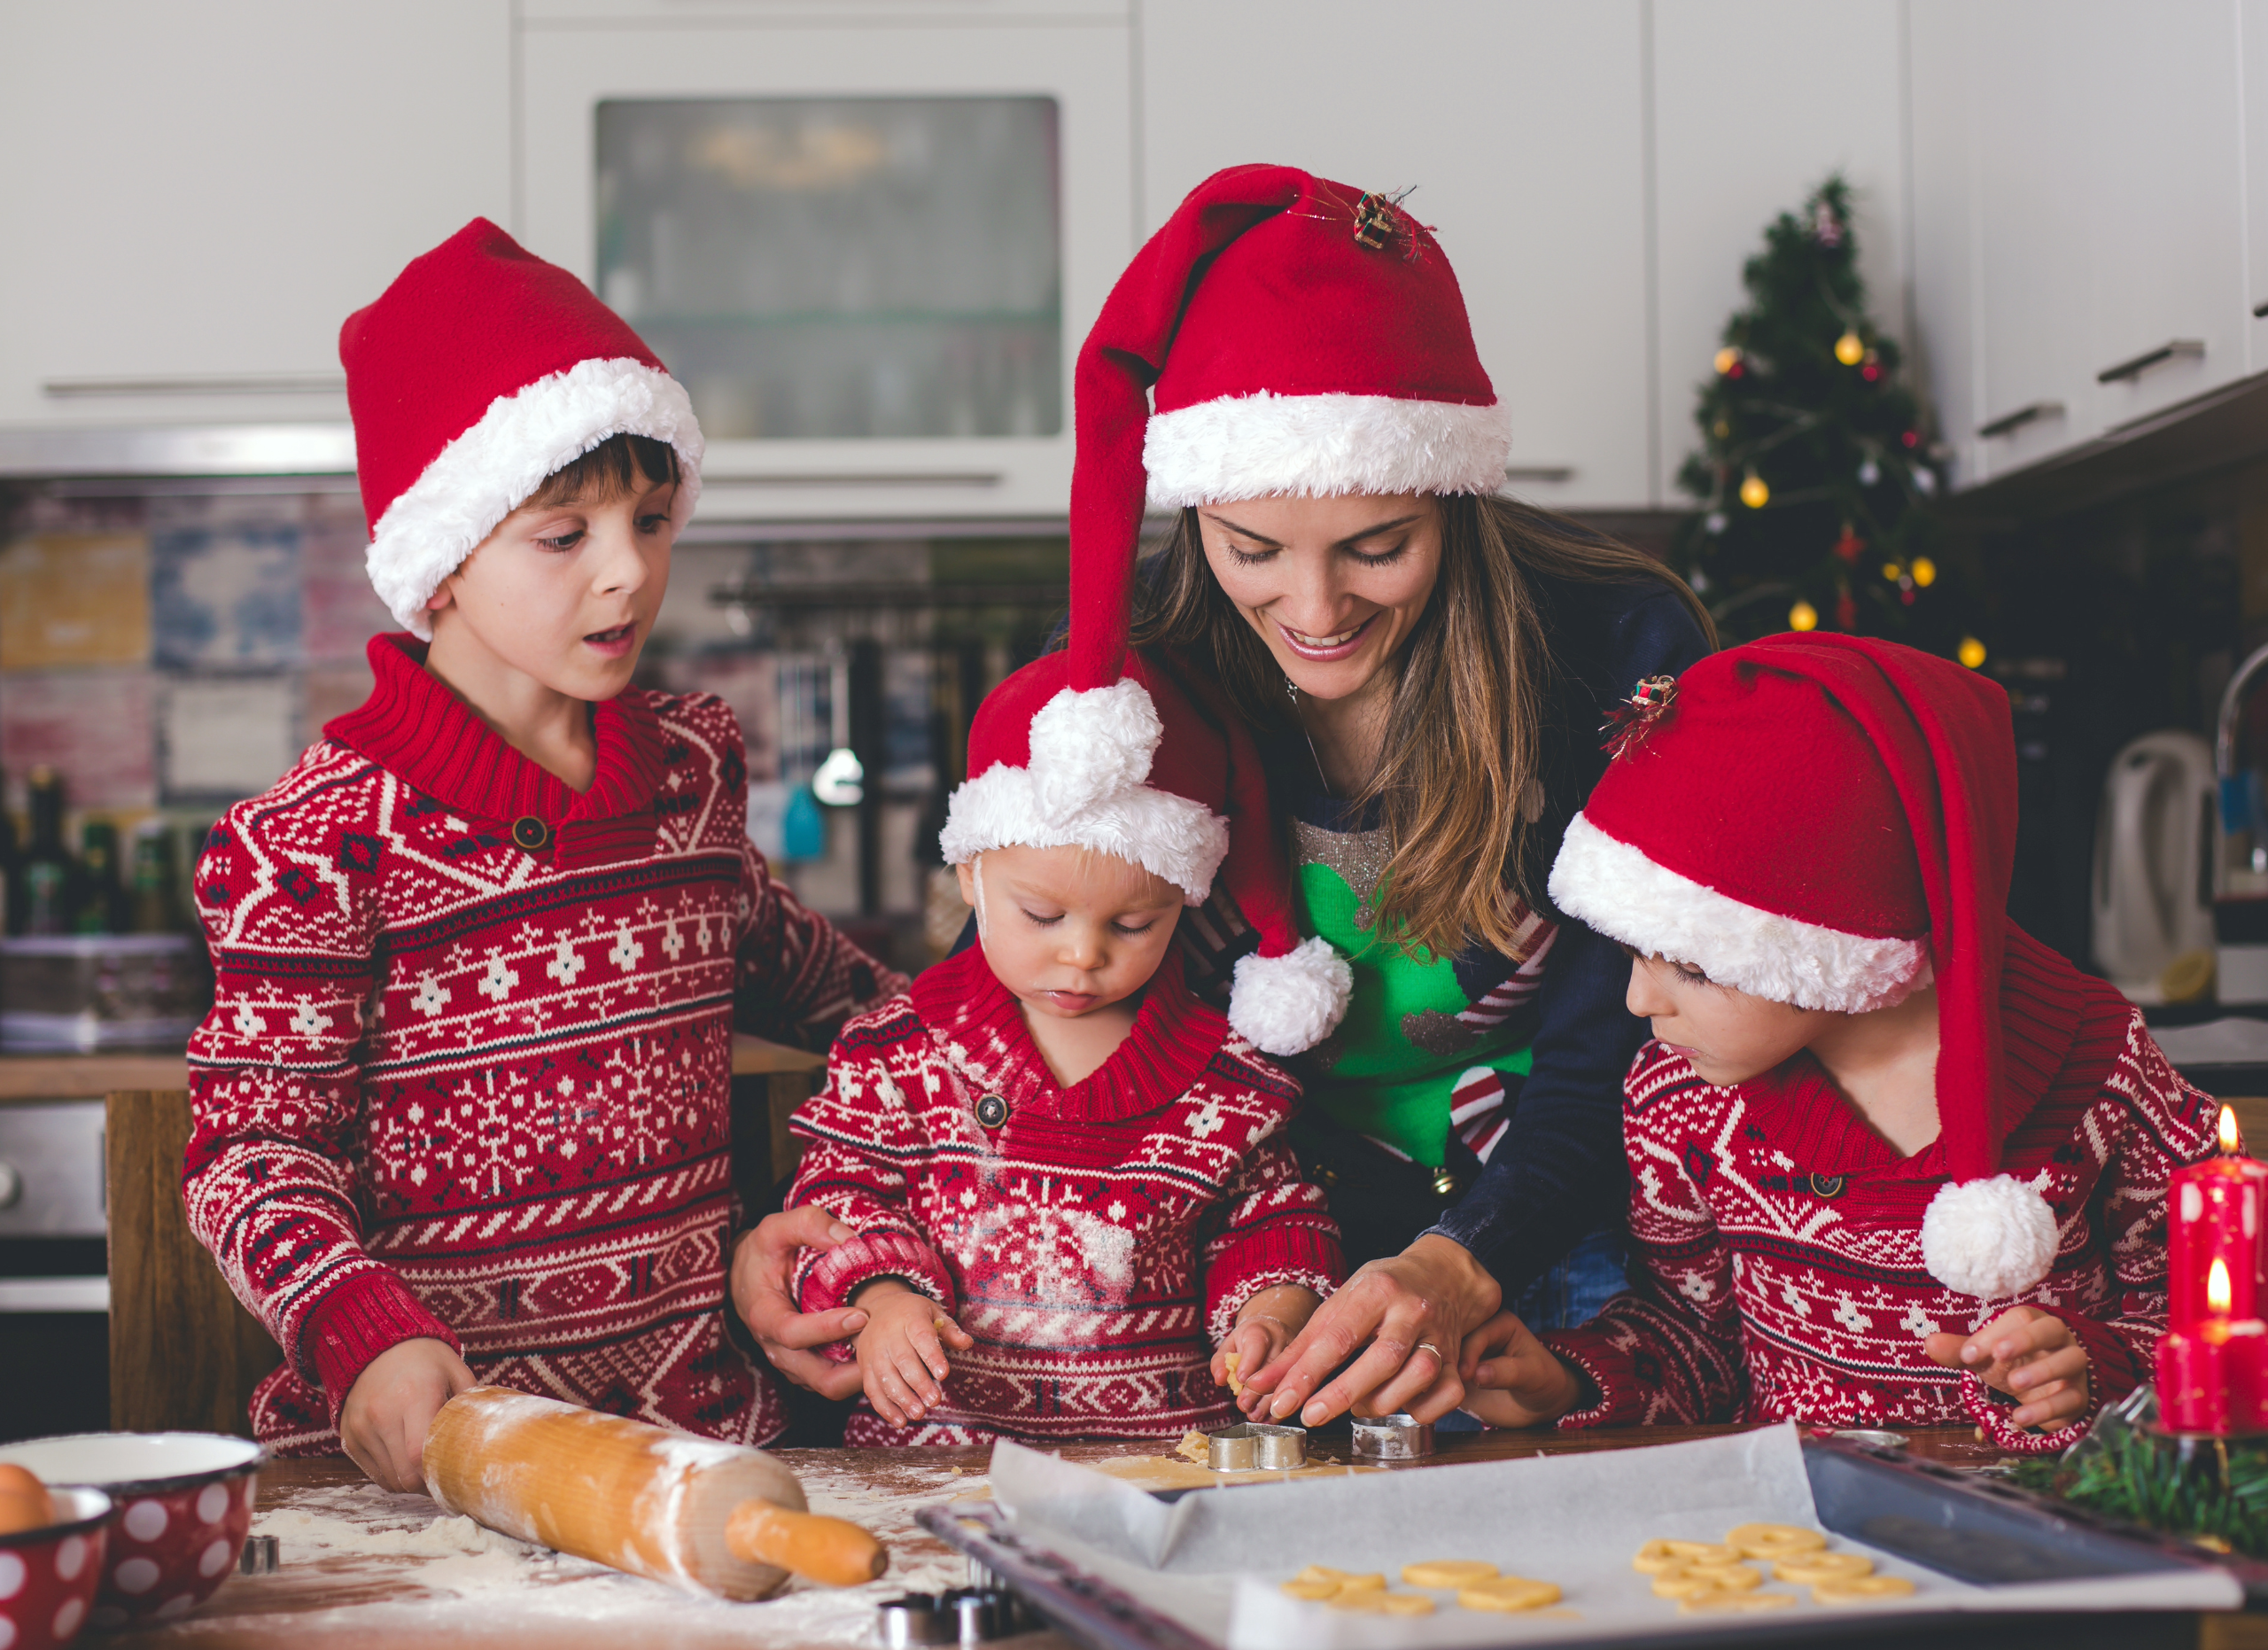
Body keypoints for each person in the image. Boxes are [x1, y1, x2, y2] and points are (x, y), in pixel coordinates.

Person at [735, 164, 1714, 1431]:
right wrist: (827, 1245)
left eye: (1379, 547)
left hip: (1553, 1227)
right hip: (1252, 1262)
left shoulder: (1612, 653)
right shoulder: (1120, 685)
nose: (1314, 611)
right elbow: (1021, 1001)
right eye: (1253, 550)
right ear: (1195, 507)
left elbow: (1624, 1042)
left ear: (1453, 495)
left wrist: (1466, 1256)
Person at [181, 221, 903, 1488]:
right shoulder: (312, 841)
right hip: (435, 1466)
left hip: (699, 1449)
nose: (629, 572)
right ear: (440, 560)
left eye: (654, 517)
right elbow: (252, 1148)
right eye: (563, 535)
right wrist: (357, 1336)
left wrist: (1024, 1030)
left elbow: (842, 998)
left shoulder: (691, 773)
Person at [1454, 634, 2218, 1452]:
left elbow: (2212, 1318)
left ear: (1835, 944)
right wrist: (1569, 1378)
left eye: (1692, 968)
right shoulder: (1680, 1099)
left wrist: (2093, 1370)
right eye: (1634, 953)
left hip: (2056, 1534)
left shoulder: (2097, 1070)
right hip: (1803, 1544)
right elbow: (1693, 1337)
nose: (1643, 1001)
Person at [781, 546, 1348, 1442]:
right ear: (970, 874)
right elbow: (838, 1195)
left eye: (1132, 926)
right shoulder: (893, 1055)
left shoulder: (1225, 1083)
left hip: (1161, 1467)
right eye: (1040, 913)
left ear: (1184, 904)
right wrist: (883, 1303)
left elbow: (1274, 1224)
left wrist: (1269, 1315)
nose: (1081, 955)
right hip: (942, 1464)